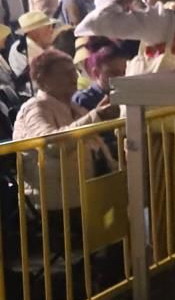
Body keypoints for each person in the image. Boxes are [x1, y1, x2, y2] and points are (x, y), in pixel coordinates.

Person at [10, 48, 115, 214]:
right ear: (43, 80)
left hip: (85, 198)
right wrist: (97, 116)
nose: (74, 77)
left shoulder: (74, 108)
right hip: (56, 207)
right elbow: (51, 145)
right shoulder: (34, 108)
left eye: (74, 71)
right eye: (66, 73)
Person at [7, 10, 70, 78]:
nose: (52, 30)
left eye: (52, 26)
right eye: (48, 27)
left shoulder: (47, 45)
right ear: (34, 32)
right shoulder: (19, 50)